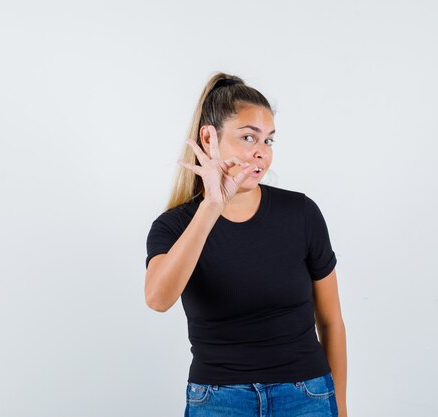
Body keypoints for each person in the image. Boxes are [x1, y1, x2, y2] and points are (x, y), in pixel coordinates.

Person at [144, 72, 347, 417]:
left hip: (306, 396)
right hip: (219, 400)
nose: (261, 154)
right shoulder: (175, 226)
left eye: (268, 141)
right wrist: (212, 206)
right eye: (248, 137)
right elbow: (158, 299)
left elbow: (330, 321)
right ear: (209, 138)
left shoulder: (301, 213)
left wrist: (339, 408)